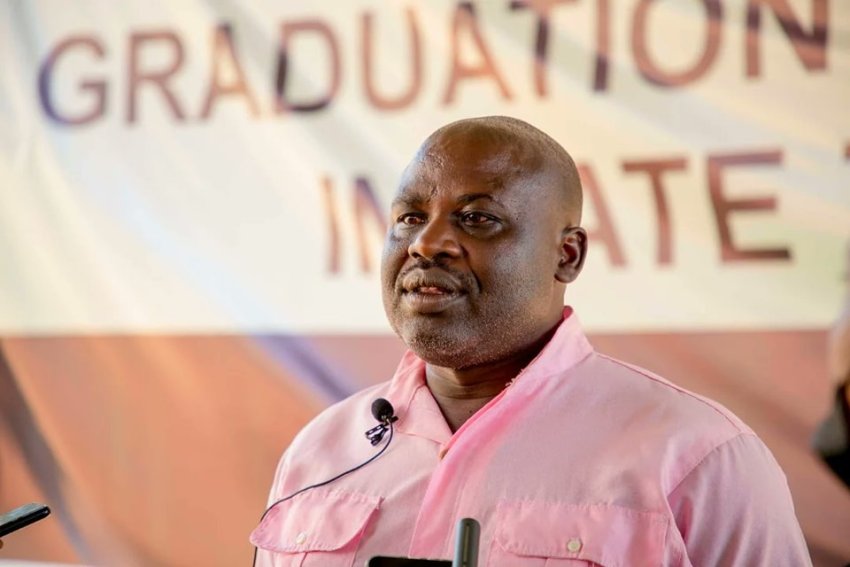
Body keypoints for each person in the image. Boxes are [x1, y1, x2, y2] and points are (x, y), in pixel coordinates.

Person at [251, 116, 812, 566]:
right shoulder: (321, 451)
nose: (427, 243)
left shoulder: (699, 455)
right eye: (410, 217)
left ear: (566, 255)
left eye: (477, 218)